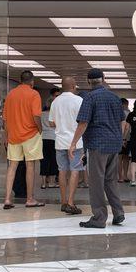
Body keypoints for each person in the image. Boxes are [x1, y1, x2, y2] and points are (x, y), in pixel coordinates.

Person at [69, 68, 125, 229]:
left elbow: (83, 123)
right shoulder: (115, 98)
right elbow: (122, 121)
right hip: (114, 145)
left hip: (98, 145)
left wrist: (73, 143)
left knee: (96, 182)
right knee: (110, 180)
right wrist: (117, 138)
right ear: (104, 79)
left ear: (88, 81)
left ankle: (99, 218)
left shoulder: (89, 98)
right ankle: (118, 212)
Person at [3, 70, 45, 209]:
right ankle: (30, 199)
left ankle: (8, 199)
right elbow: (36, 116)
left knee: (12, 166)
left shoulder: (10, 94)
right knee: (30, 165)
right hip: (30, 134)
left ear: (21, 80)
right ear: (32, 81)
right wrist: (40, 129)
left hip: (13, 135)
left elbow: (5, 119)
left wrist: (6, 135)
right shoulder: (34, 94)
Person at [49, 77, 83, 215]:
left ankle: (63, 202)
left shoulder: (55, 101)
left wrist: (62, 125)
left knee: (62, 171)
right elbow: (83, 122)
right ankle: (70, 202)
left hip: (60, 142)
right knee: (75, 170)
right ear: (74, 86)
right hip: (76, 142)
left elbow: (51, 123)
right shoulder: (79, 101)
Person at [40, 97, 58, 189]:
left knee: (44, 160)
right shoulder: (55, 115)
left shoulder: (41, 114)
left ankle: (43, 183)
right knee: (53, 160)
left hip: (43, 138)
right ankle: (51, 182)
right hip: (54, 138)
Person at [118, 98, 131, 183]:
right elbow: (128, 127)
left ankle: (120, 177)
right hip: (127, 139)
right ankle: (125, 176)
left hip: (118, 139)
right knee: (126, 158)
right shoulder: (129, 114)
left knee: (119, 158)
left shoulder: (116, 113)